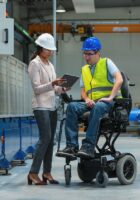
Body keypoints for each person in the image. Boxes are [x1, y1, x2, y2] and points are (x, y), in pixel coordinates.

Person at [62, 36, 123, 158]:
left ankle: (88, 146)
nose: (86, 57)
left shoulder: (106, 62)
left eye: (89, 54)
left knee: (98, 107)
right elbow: (83, 91)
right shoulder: (84, 69)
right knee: (72, 107)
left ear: (98, 53)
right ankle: (72, 146)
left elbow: (119, 79)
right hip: (92, 102)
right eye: (84, 54)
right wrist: (87, 99)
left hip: (108, 103)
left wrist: (111, 97)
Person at [27, 33, 68, 185]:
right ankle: (32, 173)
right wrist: (52, 84)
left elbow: (54, 88)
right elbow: (37, 88)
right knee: (45, 138)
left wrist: (61, 88)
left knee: (50, 141)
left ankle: (47, 172)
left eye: (51, 50)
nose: (51, 52)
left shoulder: (50, 65)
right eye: (48, 49)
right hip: (40, 106)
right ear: (41, 48)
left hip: (51, 106)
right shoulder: (34, 64)